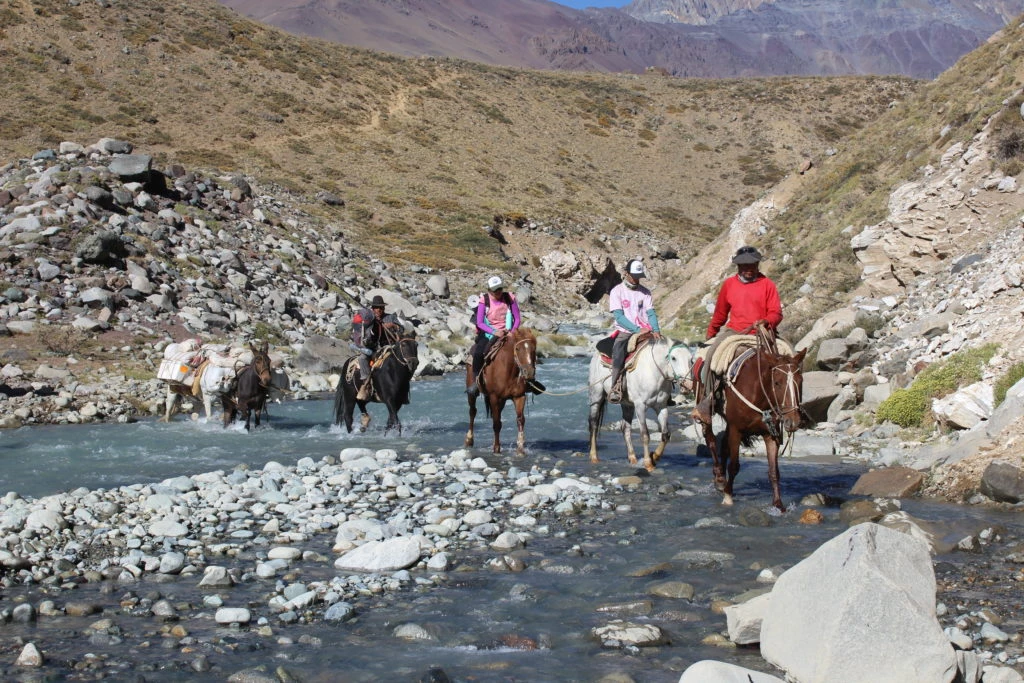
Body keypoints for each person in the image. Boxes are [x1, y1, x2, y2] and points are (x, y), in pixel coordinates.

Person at [693, 245, 783, 421]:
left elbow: (776, 312)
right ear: (738, 267)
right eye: (744, 266)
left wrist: (767, 321)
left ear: (757, 265)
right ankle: (708, 400)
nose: (749, 269)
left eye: (752, 265)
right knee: (711, 357)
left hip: (762, 331)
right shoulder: (729, 285)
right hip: (735, 330)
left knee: (789, 357)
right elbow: (720, 313)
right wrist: (712, 332)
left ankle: (789, 406)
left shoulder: (767, 284)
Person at [607, 259, 662, 404]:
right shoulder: (616, 291)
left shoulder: (645, 292)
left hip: (646, 330)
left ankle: (665, 389)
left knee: (664, 350)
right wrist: (637, 329)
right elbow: (619, 317)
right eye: (634, 275)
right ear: (626, 273)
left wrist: (656, 329)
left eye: (639, 276)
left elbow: (650, 313)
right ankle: (615, 386)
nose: (637, 279)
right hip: (626, 330)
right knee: (619, 351)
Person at [467, 275, 521, 398]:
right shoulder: (484, 300)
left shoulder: (509, 298)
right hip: (488, 332)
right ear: (489, 290)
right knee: (479, 352)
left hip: (509, 331)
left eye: (500, 289)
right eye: (495, 290)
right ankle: (476, 382)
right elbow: (480, 322)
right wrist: (494, 332)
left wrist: (512, 331)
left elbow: (517, 318)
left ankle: (529, 380)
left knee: (525, 348)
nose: (498, 292)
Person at [351, 295, 401, 401]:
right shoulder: (369, 318)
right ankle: (366, 383)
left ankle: (403, 386)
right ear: (373, 308)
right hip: (373, 348)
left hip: (389, 348)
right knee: (362, 358)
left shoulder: (391, 317)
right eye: (376, 308)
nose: (379, 310)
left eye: (381, 308)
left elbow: (401, 329)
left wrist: (392, 325)